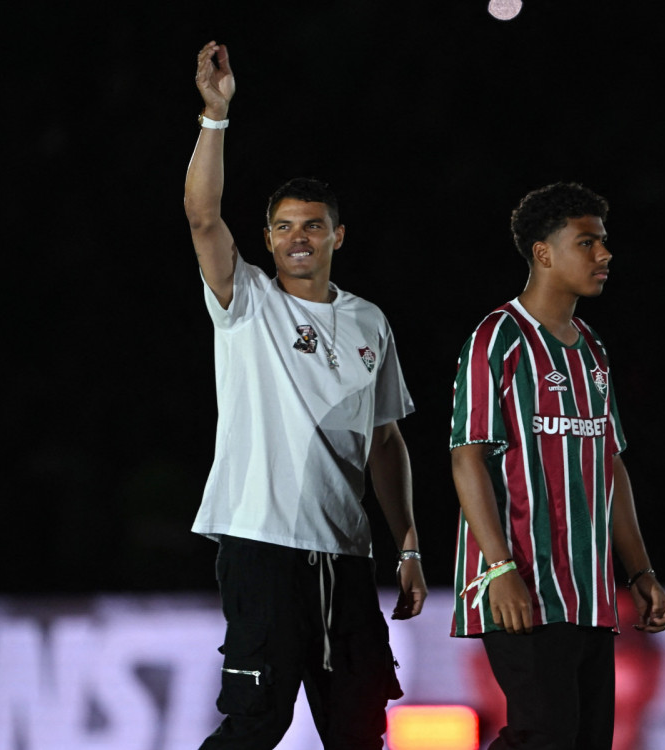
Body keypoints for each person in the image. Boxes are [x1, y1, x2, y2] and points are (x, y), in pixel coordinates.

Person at [185, 41, 427, 749]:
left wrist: (407, 543)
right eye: (284, 227)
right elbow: (203, 216)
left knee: (358, 728)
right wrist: (215, 115)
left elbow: (384, 439)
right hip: (262, 543)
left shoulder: (368, 321)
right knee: (258, 721)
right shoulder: (246, 301)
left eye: (312, 226)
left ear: (337, 237)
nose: (298, 238)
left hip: (346, 555)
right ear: (265, 238)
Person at [448, 182, 665, 750]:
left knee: (585, 741)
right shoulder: (498, 337)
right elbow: (466, 455)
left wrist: (640, 572)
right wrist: (498, 570)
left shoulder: (592, 348)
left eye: (604, 242)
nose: (604, 255)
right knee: (542, 736)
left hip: (590, 593)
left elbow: (610, 465)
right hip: (521, 584)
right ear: (544, 252)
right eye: (587, 243)